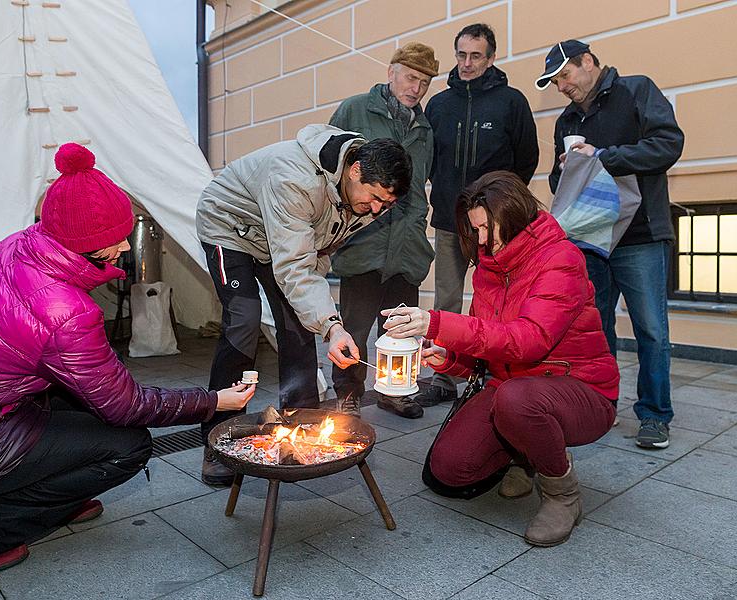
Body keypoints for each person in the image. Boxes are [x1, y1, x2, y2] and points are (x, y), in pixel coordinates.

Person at [0, 143, 256, 574]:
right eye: (113, 239)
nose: (123, 246)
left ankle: (58, 494)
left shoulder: (18, 247)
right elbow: (126, 405)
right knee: (128, 447)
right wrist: (214, 403)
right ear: (83, 244)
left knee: (82, 405)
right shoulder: (65, 311)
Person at [382, 171, 618, 547]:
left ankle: (561, 492)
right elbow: (486, 351)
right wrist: (446, 358)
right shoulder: (489, 268)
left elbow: (528, 341)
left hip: (580, 388)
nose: (479, 239)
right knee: (451, 470)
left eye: (484, 228)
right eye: (474, 229)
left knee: (516, 400)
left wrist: (436, 322)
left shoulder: (561, 259)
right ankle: (524, 455)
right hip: (511, 387)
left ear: (511, 215)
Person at [196, 125, 412, 484]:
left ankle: (301, 424)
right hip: (230, 227)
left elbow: (318, 250)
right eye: (374, 198)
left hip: (281, 240)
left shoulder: (363, 196)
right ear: (355, 169)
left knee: (298, 323)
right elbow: (294, 266)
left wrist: (323, 321)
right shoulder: (294, 178)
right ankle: (217, 442)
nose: (376, 210)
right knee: (244, 320)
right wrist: (333, 324)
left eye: (385, 205)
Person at [537, 39, 684, 449]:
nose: (562, 86)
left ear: (588, 62)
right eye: (555, 82)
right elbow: (556, 183)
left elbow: (668, 144)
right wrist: (570, 168)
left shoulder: (637, 91)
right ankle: (599, 405)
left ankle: (654, 416)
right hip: (591, 240)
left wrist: (601, 157)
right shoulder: (566, 120)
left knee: (651, 330)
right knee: (595, 327)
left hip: (641, 235)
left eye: (565, 75)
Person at [419, 23, 539, 408]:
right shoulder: (438, 104)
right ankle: (444, 375)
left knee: (500, 301)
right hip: (449, 219)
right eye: (461, 55)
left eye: (475, 56)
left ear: (491, 58)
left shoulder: (511, 101)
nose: (467, 63)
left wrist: (503, 205)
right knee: (448, 298)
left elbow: (526, 159)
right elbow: (429, 160)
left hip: (497, 225)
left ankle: (495, 372)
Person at [327, 42, 439, 419]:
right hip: (364, 242)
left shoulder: (424, 129)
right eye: (410, 77)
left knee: (401, 329)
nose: (416, 88)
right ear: (391, 72)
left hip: (407, 247)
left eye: (424, 82)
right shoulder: (355, 110)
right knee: (355, 329)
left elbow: (422, 181)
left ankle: (397, 390)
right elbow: (329, 170)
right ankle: (348, 394)